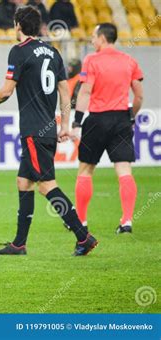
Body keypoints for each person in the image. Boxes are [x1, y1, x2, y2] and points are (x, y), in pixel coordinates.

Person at [0, 6, 98, 256]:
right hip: (47, 128)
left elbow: (7, 90)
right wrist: (64, 125)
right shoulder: (54, 53)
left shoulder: (19, 51)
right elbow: (65, 92)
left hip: (34, 131)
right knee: (24, 182)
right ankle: (19, 244)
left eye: (14, 24)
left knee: (46, 185)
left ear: (18, 26)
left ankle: (83, 236)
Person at [70, 23, 144, 234]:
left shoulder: (91, 60)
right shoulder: (129, 61)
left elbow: (85, 92)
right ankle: (127, 221)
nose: (91, 40)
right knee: (124, 170)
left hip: (97, 119)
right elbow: (139, 96)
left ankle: (82, 222)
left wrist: (76, 122)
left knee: (85, 170)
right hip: (121, 119)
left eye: (93, 36)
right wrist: (130, 116)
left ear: (102, 38)